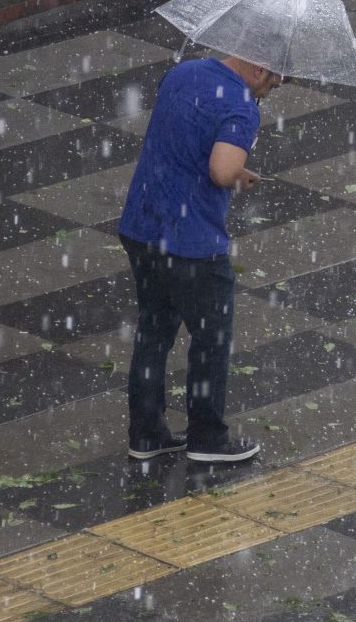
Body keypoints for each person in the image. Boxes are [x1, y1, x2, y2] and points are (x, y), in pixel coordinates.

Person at [117, 52, 283, 463]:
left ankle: (147, 433)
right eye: (275, 80)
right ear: (259, 66)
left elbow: (185, 138)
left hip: (143, 224)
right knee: (211, 340)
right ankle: (208, 438)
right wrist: (236, 170)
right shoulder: (241, 106)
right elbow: (221, 171)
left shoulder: (183, 72)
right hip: (191, 243)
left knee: (153, 332)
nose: (274, 88)